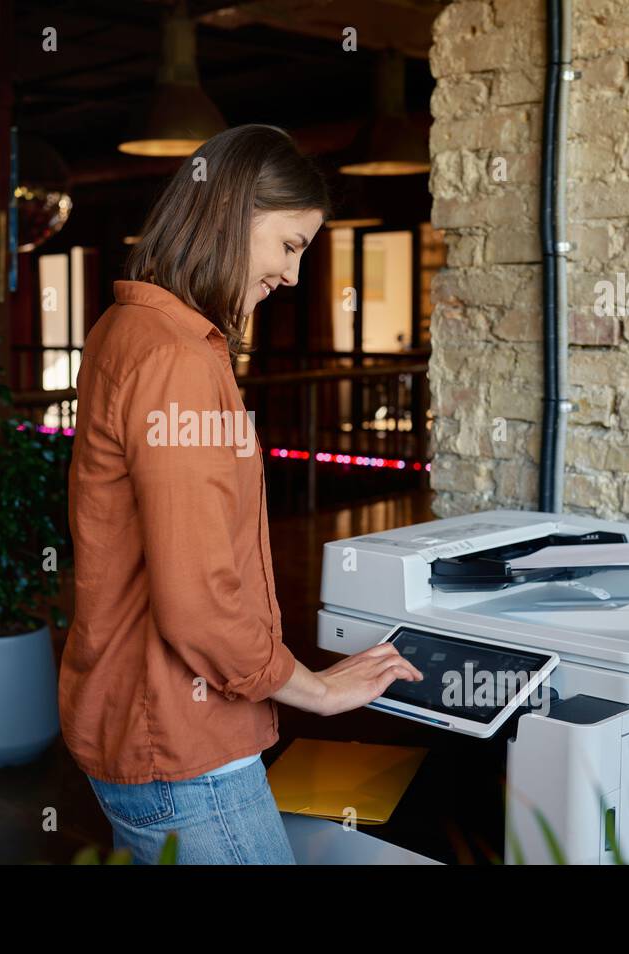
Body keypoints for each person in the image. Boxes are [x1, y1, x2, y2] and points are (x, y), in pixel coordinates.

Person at [57, 124, 423, 864]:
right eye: (289, 245)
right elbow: (196, 604)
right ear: (230, 211)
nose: (292, 275)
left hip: (139, 724)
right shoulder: (175, 360)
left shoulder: (125, 328)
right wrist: (315, 690)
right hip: (184, 747)